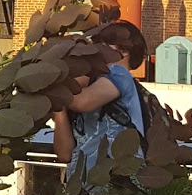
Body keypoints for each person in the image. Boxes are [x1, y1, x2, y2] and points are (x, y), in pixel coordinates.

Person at [52, 20, 148, 171]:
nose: (95, 50)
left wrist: (55, 86)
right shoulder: (88, 86)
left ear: (124, 50)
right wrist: (59, 106)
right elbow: (64, 154)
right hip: (85, 188)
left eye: (102, 44)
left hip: (115, 186)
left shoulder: (119, 73)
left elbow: (81, 102)